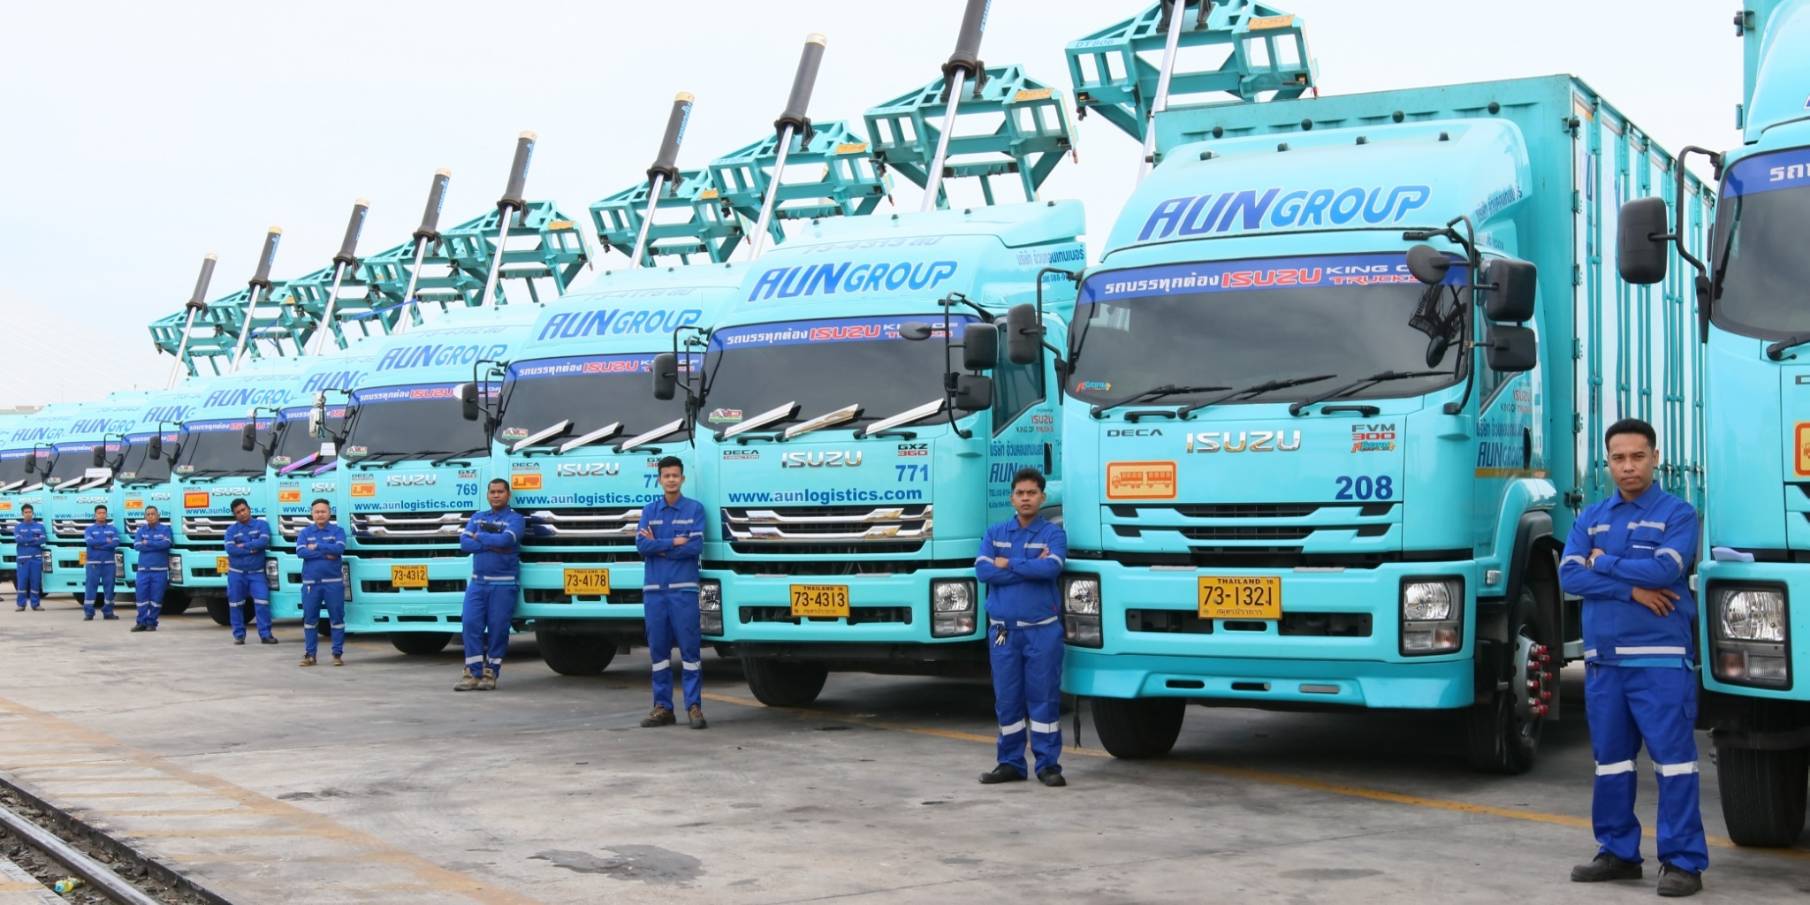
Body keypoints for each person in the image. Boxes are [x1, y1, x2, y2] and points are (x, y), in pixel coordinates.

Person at [1560, 418, 1707, 898]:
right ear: (1607, 462)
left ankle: (1683, 862)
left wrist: (1602, 562)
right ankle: (1618, 853)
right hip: (1604, 663)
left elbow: (1665, 569)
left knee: (1674, 764)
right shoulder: (1591, 517)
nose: (1628, 466)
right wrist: (1632, 592)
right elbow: (1568, 575)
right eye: (1619, 458)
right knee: (1611, 764)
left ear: (1655, 458)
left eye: (1638, 456)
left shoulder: (1678, 514)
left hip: (1659, 662)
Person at [975, 467, 1069, 787]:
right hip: (1003, 632)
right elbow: (984, 571)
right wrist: (1030, 566)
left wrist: (1009, 563)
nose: (1025, 498)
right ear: (1011, 497)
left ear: (1043, 497)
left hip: (1041, 630)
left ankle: (1048, 765)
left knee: (1044, 697)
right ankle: (1010, 763)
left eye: (1032, 493)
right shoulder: (995, 532)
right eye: (1020, 493)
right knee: (1007, 698)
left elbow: (1051, 568)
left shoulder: (1053, 534)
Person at [635, 456, 707, 729]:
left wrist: (659, 545)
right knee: (658, 653)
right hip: (654, 592)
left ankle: (694, 707)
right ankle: (663, 707)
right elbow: (642, 546)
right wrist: (673, 542)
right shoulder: (649, 510)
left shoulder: (695, 509)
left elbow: (694, 547)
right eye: (666, 476)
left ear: (682, 479)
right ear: (659, 480)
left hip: (683, 591)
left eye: (675, 475)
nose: (671, 480)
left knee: (690, 651)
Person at [455, 479, 523, 692]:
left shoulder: (516, 519)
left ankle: (490, 672)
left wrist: (480, 537)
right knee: (470, 624)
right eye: (492, 491)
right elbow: (464, 544)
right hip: (477, 584)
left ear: (508, 495)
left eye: (500, 491)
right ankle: (472, 672)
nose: (496, 495)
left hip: (503, 585)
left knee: (498, 629)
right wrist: (493, 542)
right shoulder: (477, 517)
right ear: (487, 495)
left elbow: (507, 541)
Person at [296, 499, 348, 667]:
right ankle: (310, 655)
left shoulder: (338, 531)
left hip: (333, 583)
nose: (320, 514)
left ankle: (337, 654)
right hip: (311, 584)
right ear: (312, 514)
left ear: (329, 513)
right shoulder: (305, 533)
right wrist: (326, 552)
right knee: (310, 620)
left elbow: (339, 549)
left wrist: (317, 546)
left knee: (337, 619)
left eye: (323, 511)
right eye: (317, 512)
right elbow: (300, 552)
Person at [223, 498, 276, 645]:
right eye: (238, 512)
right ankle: (239, 635)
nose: (242, 513)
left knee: (262, 602)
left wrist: (243, 546)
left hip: (257, 573)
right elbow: (230, 549)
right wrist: (252, 548)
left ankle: (265, 635)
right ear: (234, 515)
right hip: (236, 574)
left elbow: (263, 542)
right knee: (235, 604)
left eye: (243, 509)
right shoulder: (231, 530)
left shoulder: (262, 525)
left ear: (249, 509)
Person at [130, 506, 173, 632]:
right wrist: (156, 545)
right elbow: (137, 546)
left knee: (156, 598)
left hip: (160, 571)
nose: (150, 516)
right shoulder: (141, 530)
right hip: (143, 570)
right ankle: (141, 622)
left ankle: (152, 623)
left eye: (153, 514)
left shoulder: (165, 529)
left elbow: (166, 544)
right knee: (141, 597)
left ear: (158, 515)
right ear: (145, 517)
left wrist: (148, 543)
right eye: (148, 514)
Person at [82, 505, 121, 621]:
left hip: (109, 563)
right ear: (95, 515)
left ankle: (108, 612)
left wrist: (98, 545)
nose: (102, 515)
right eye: (99, 513)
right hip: (93, 563)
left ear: (106, 514)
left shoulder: (113, 529)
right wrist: (106, 541)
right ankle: (89, 613)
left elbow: (115, 543)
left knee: (109, 588)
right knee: (90, 587)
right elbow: (90, 543)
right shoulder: (89, 530)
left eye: (104, 513)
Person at [13, 504, 46, 611]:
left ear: (33, 513)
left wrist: (27, 541)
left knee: (35, 582)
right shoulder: (18, 527)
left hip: (36, 559)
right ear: (22, 514)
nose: (28, 514)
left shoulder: (39, 526)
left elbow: (42, 539)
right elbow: (19, 540)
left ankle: (35, 604)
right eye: (26, 512)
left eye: (30, 512)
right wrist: (34, 539)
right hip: (23, 560)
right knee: (22, 582)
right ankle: (21, 604)